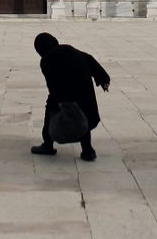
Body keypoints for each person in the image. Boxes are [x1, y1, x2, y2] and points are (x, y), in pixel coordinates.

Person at [31, 32, 110, 162]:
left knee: (50, 111)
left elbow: (52, 83)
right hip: (85, 94)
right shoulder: (69, 48)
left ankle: (47, 145)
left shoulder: (46, 60)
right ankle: (88, 151)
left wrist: (59, 102)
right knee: (83, 118)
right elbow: (89, 59)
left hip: (66, 94)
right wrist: (103, 79)